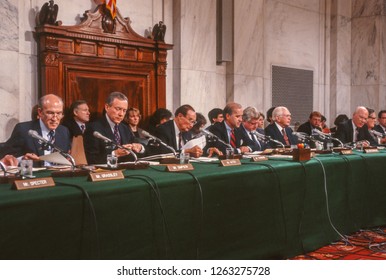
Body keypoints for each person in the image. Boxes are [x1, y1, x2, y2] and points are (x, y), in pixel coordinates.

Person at [0, 94, 71, 166]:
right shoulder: (24, 130)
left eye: (59, 113)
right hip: (34, 175)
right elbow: (5, 156)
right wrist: (23, 159)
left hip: (57, 175)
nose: (55, 118)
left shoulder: (64, 131)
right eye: (50, 113)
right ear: (40, 112)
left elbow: (66, 156)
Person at [83, 91, 145, 164]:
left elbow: (138, 149)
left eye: (124, 110)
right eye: (118, 109)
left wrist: (140, 148)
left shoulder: (125, 128)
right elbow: (92, 160)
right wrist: (115, 154)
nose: (121, 114)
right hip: (106, 173)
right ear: (107, 107)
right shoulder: (94, 129)